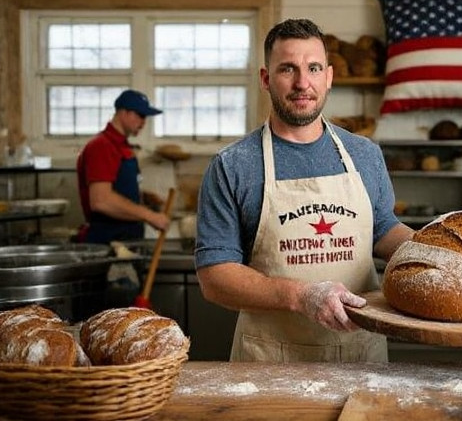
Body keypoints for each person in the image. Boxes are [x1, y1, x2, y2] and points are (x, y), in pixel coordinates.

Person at [194, 18, 414, 363]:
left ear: (328, 76)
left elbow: (382, 229)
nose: (302, 83)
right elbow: (214, 276)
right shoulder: (233, 165)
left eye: (313, 68)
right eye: (287, 69)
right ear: (266, 79)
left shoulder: (364, 154)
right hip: (269, 363)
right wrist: (301, 295)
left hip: (360, 356)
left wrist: (432, 252)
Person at [76, 89, 171, 244]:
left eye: (145, 117)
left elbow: (117, 189)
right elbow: (101, 200)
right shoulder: (102, 146)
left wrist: (142, 197)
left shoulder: (122, 147)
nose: (143, 122)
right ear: (123, 113)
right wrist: (149, 215)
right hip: (109, 242)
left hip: (127, 238)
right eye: (140, 115)